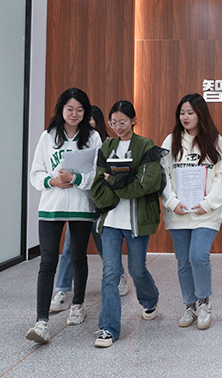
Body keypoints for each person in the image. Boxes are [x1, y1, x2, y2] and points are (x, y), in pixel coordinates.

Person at [26, 88, 102, 344]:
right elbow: (36, 172)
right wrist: (53, 181)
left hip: (81, 206)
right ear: (60, 110)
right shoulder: (48, 136)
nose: (74, 114)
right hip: (51, 206)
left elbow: (96, 174)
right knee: (48, 261)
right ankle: (41, 322)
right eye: (70, 109)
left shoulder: (92, 137)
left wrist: (75, 179)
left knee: (78, 257)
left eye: (80, 109)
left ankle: (78, 305)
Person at [89, 100, 167, 348]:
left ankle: (150, 300)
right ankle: (108, 328)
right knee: (110, 272)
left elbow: (147, 185)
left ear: (133, 120)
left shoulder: (145, 146)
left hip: (137, 220)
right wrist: (123, 181)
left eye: (123, 122)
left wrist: (115, 181)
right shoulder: (107, 147)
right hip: (110, 220)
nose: (118, 127)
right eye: (113, 122)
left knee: (137, 269)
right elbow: (97, 185)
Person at [51, 105, 132, 314]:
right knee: (69, 249)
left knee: (104, 246)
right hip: (78, 204)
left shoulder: (107, 145)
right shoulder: (73, 144)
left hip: (99, 206)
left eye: (91, 122)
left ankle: (120, 276)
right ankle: (62, 291)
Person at [161, 93, 222, 330]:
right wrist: (172, 202)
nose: (185, 117)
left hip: (206, 213)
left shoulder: (215, 141)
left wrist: (208, 204)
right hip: (178, 213)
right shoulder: (170, 141)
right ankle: (189, 305)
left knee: (198, 255)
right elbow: (163, 176)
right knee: (183, 261)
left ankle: (203, 302)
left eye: (190, 112)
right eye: (182, 112)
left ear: (201, 114)